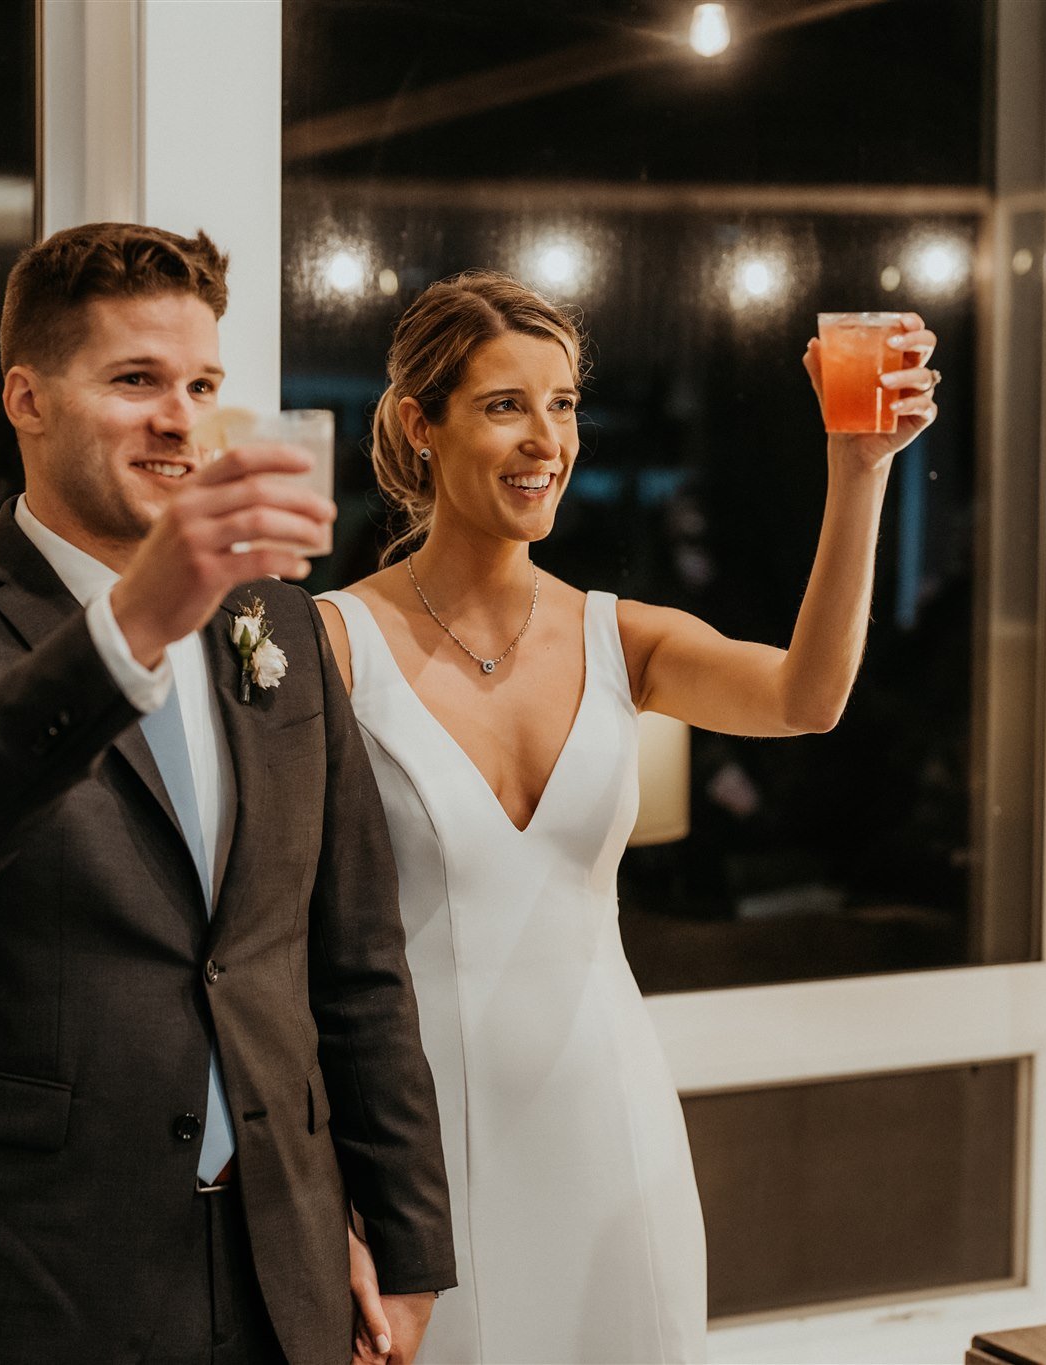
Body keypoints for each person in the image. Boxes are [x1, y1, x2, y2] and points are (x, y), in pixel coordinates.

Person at [0, 222, 455, 1365]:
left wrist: (403, 1248)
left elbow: (354, 957)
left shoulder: (284, 628)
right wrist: (129, 628)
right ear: (26, 398)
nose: (178, 417)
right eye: (135, 380)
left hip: (281, 1269)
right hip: (26, 1276)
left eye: (201, 383)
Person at [314, 272, 940, 1363]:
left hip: (608, 1124)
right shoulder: (330, 643)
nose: (544, 439)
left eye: (561, 406)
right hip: (413, 1153)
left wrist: (858, 472)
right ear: (420, 424)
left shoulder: (619, 637)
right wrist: (328, 1196)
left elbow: (807, 697)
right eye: (504, 404)